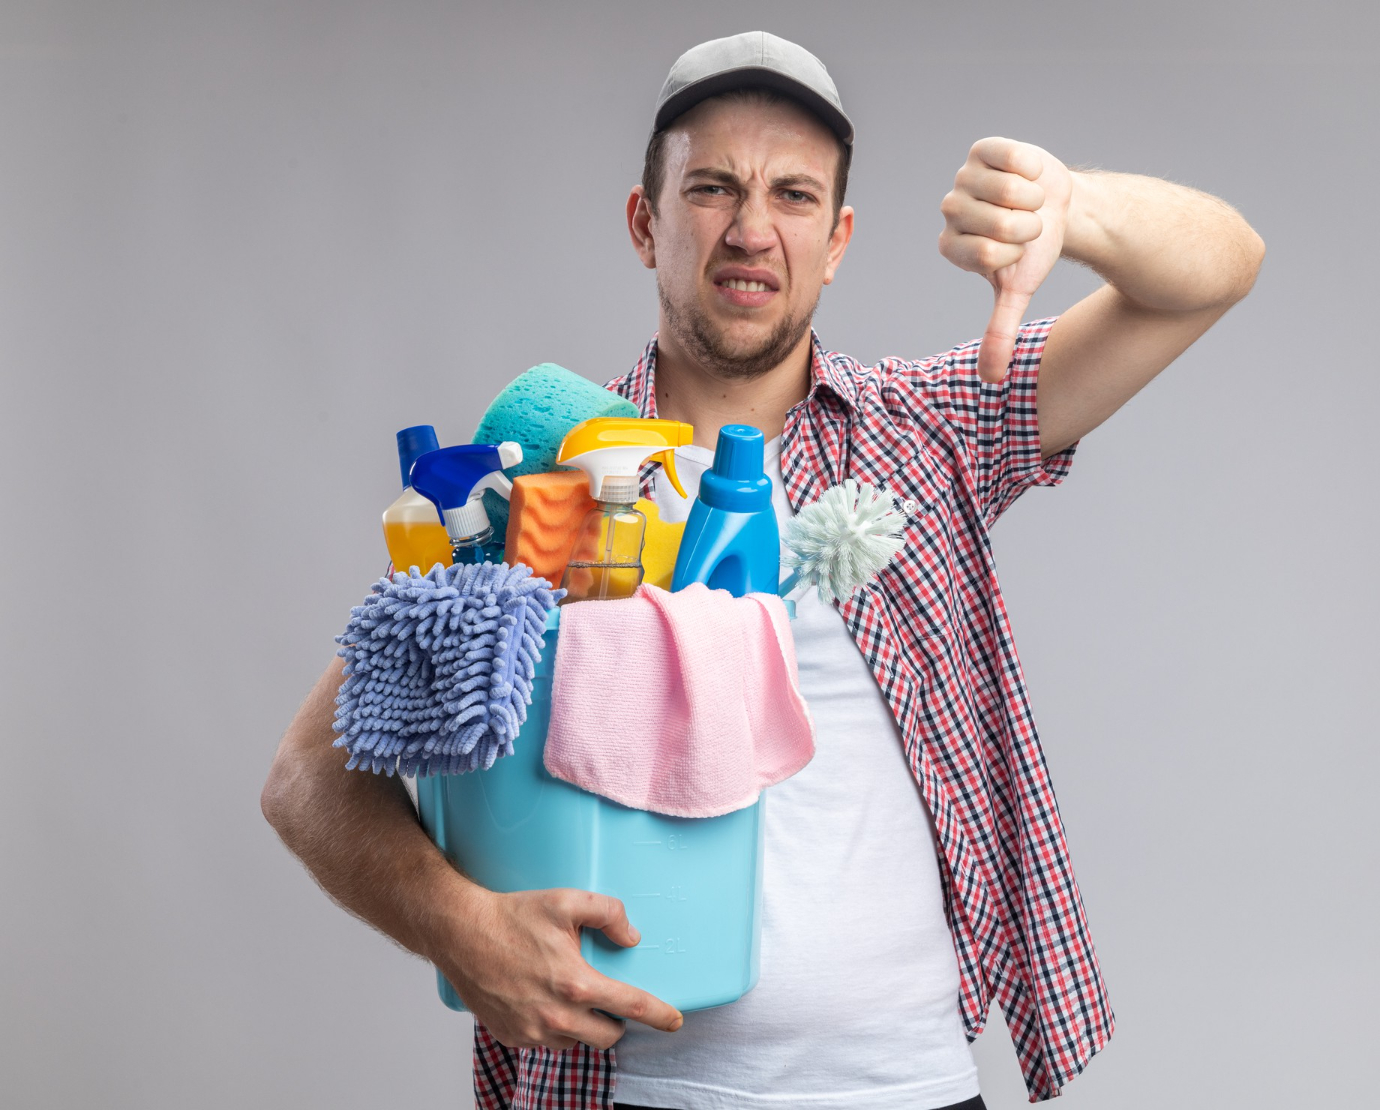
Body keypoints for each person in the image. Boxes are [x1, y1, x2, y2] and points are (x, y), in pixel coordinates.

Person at [262, 30, 1264, 1110]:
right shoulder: (532, 486)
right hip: (630, 1093)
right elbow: (309, 777)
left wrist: (1078, 210)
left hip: (913, 1090)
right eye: (711, 187)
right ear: (646, 223)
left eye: (792, 195)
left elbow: (1216, 271)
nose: (750, 228)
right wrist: (464, 930)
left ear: (835, 241)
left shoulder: (933, 427)